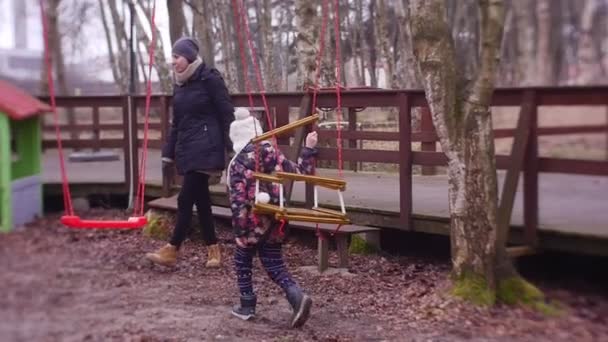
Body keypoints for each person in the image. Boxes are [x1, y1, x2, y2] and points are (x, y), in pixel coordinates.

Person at [146, 37, 235, 268]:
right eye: (172, 57)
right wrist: (168, 151)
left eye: (176, 57)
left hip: (208, 146)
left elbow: (226, 113)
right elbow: (177, 123)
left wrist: (233, 147)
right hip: (189, 148)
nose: (173, 62)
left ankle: (172, 249)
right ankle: (213, 250)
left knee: (186, 198)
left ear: (189, 57)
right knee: (201, 200)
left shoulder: (210, 79)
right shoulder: (180, 85)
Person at [226, 107, 317, 328]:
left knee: (242, 258)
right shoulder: (273, 153)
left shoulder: (237, 163)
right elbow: (301, 172)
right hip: (277, 217)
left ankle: (247, 304)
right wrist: (309, 149)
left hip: (253, 221)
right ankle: (296, 297)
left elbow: (238, 200)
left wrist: (239, 232)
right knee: (274, 262)